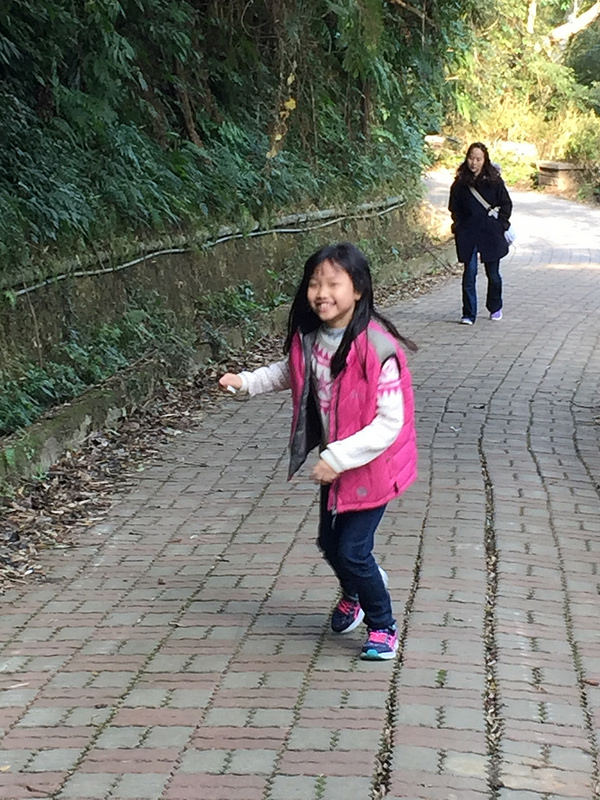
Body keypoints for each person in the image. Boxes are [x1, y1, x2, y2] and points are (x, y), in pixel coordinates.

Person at [218, 242, 417, 661]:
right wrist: (246, 383)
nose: (321, 293)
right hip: (337, 465)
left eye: (333, 284)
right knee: (329, 543)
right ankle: (355, 592)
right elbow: (288, 374)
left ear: (358, 289)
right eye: (314, 284)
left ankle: (383, 625)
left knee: (353, 550)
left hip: (371, 467)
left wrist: (338, 457)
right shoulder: (312, 339)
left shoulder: (378, 348)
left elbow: (389, 423)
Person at [449, 141, 513, 324]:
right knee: (469, 274)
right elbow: (454, 208)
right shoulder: (460, 183)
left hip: (490, 234)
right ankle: (469, 313)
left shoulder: (494, 182)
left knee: (493, 274)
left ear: (484, 160)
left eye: (478, 159)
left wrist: (501, 224)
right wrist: (458, 226)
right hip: (468, 234)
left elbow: (506, 204)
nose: (474, 163)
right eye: (471, 158)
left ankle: (495, 306)